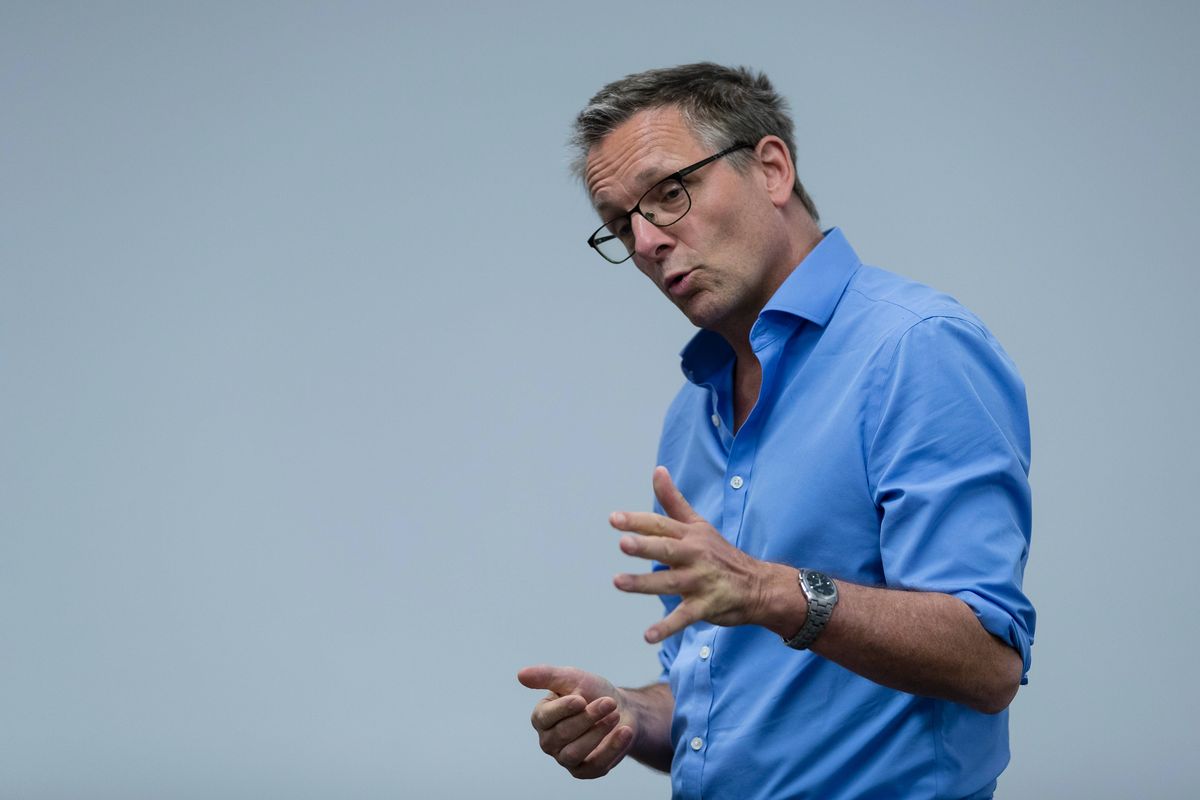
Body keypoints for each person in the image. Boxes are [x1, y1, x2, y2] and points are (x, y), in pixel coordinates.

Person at [517, 63, 1035, 800]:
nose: (647, 240)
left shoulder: (917, 348)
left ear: (771, 168)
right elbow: (722, 706)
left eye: (669, 193)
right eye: (619, 221)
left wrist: (767, 589)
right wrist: (629, 713)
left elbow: (988, 663)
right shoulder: (693, 412)